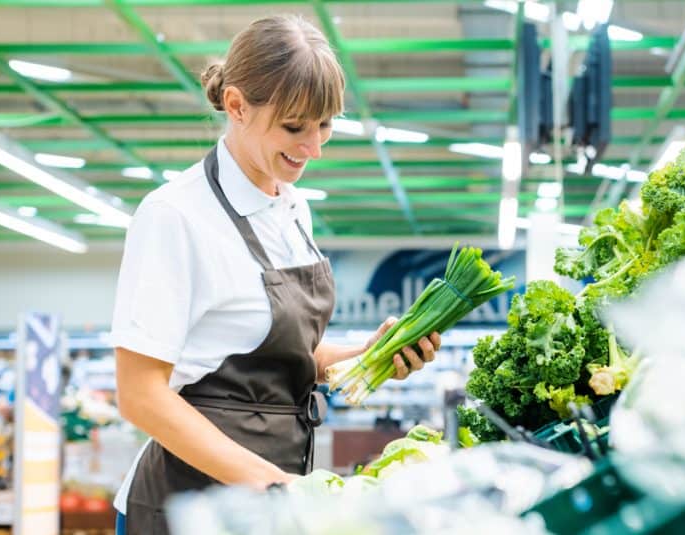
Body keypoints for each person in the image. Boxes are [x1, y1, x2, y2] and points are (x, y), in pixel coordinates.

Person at [109, 14, 441, 535]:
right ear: (237, 106)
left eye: (325, 124)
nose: (314, 148)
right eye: (294, 127)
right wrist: (269, 482)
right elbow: (140, 394)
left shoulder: (293, 209)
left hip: (270, 503)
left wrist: (370, 359)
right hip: (186, 505)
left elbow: (280, 358)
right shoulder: (175, 215)